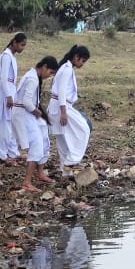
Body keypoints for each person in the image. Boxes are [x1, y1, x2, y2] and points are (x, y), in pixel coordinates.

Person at [13, 56, 58, 191]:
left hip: (27, 113)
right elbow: (27, 102)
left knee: (44, 137)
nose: (49, 76)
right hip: (23, 113)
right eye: (50, 73)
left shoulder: (33, 75)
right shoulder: (32, 79)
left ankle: (40, 173)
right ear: (44, 67)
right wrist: (36, 111)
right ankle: (27, 182)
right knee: (37, 145)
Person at [49, 45, 91, 176]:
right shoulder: (66, 69)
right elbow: (61, 92)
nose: (82, 64)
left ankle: (66, 172)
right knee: (83, 129)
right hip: (62, 106)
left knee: (63, 140)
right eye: (82, 61)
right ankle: (71, 162)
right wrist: (63, 112)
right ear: (76, 57)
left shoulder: (66, 68)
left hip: (58, 106)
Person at [0, 33, 27, 166]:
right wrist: (8, 96)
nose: (23, 48)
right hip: (5, 90)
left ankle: (13, 152)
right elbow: (3, 77)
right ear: (14, 43)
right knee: (3, 124)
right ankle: (2, 154)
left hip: (11, 88)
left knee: (10, 124)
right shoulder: (6, 56)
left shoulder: (11, 56)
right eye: (22, 44)